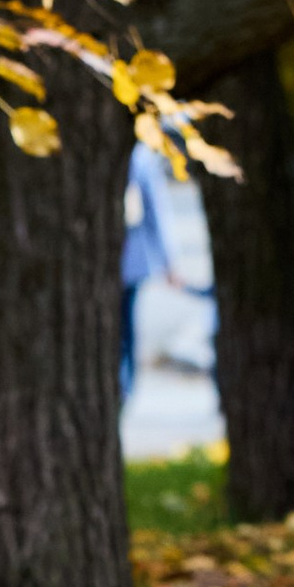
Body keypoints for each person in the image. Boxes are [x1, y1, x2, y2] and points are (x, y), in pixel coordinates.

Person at [121, 145, 178, 405]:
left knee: (123, 327)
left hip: (129, 261)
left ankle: (125, 385)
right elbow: (157, 207)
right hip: (129, 261)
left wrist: (168, 260)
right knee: (124, 328)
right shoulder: (140, 156)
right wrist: (168, 261)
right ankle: (125, 386)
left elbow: (154, 208)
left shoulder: (140, 157)